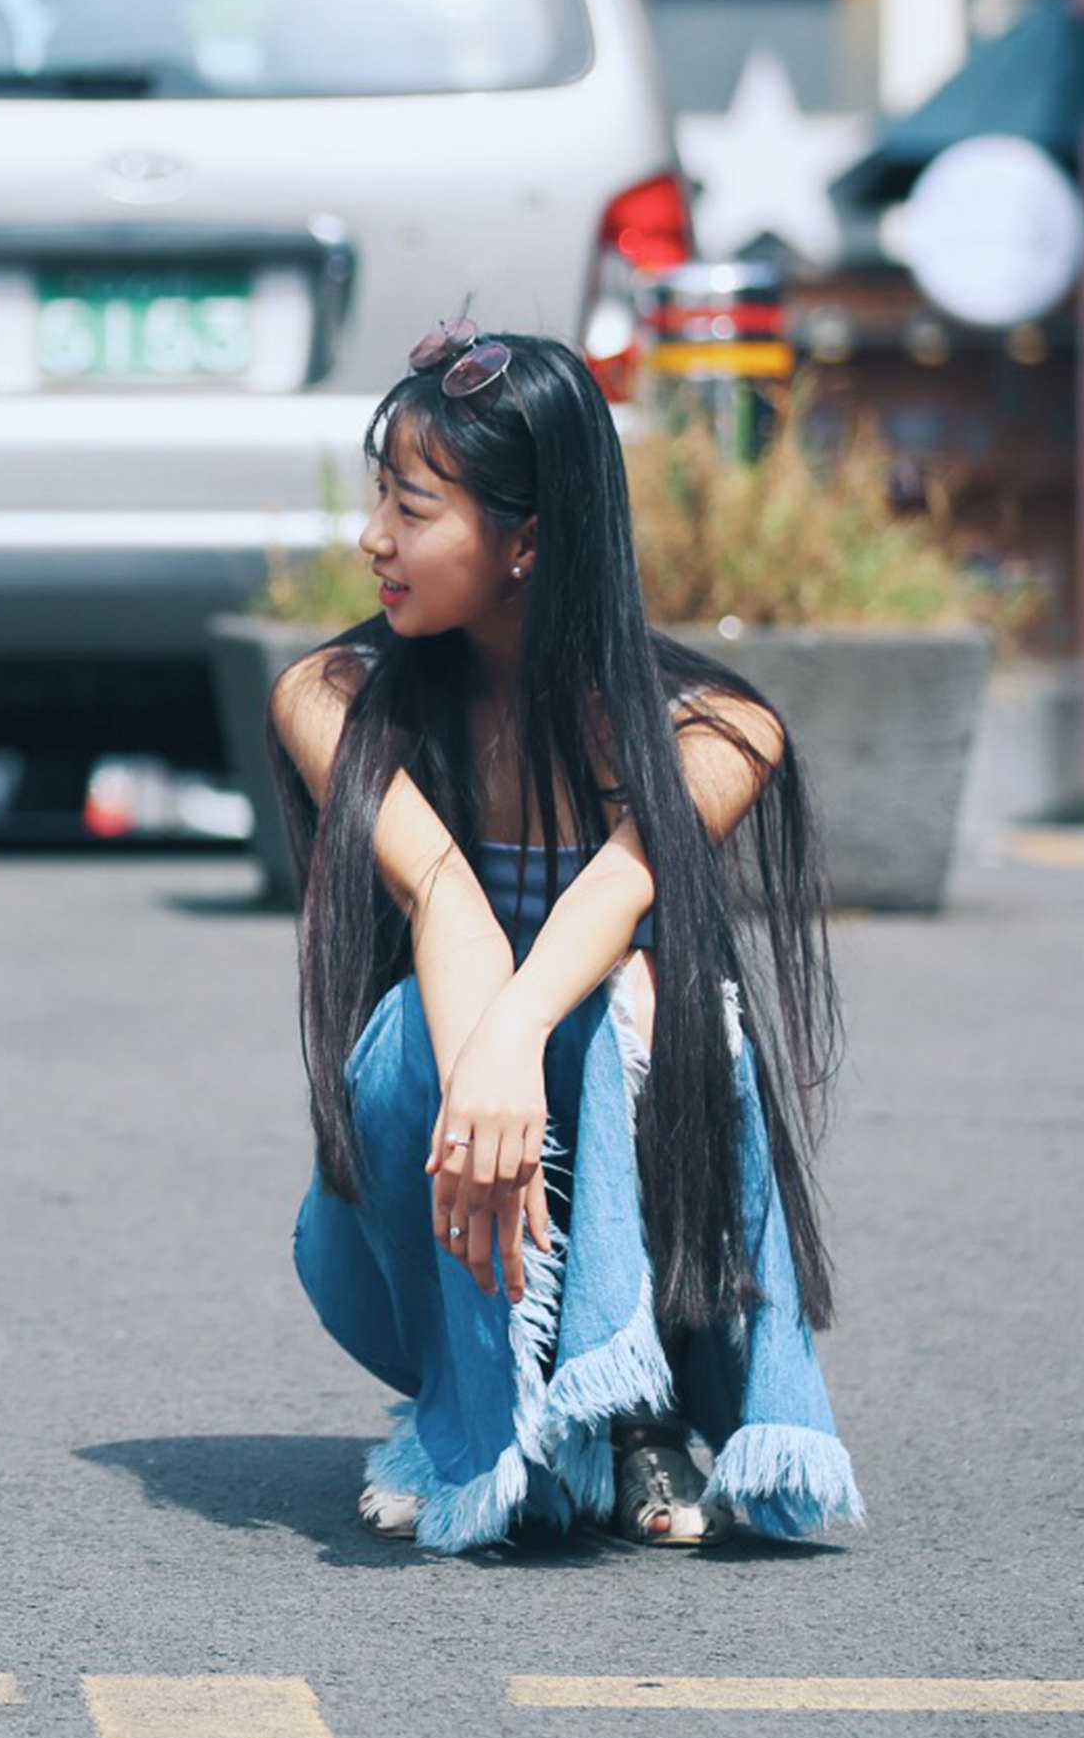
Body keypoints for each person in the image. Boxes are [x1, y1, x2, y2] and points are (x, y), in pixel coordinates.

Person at [267, 320, 860, 1553]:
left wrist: (525, 1028)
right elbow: (444, 895)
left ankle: (628, 1400)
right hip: (413, 1217)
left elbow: (615, 894)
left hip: (655, 1238)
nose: (374, 537)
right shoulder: (332, 700)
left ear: (527, 540)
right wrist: (486, 1058)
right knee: (410, 1040)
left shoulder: (717, 730)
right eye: (380, 495)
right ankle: (467, 1407)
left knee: (635, 1000)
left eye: (413, 507)